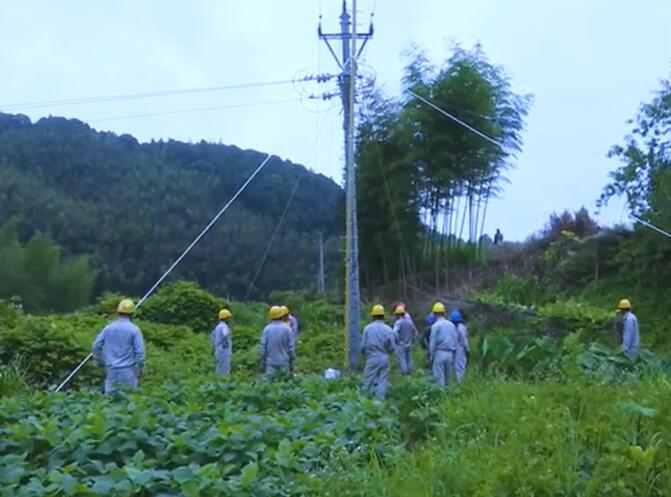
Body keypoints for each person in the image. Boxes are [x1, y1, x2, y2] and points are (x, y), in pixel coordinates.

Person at [92, 299, 145, 395]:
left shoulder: (108, 328)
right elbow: (140, 353)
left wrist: (101, 361)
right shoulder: (134, 330)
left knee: (110, 400)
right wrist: (140, 369)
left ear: (118, 312)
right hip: (128, 370)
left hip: (111, 369)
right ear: (132, 314)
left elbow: (96, 346)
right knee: (128, 398)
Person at [361, 304, 396, 399]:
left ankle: (364, 400)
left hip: (372, 357)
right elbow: (392, 347)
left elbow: (363, 346)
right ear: (383, 315)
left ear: (373, 316)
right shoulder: (388, 329)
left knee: (368, 380)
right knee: (382, 380)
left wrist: (365, 354)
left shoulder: (368, 329)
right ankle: (380, 402)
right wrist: (388, 353)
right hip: (384, 357)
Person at [260, 305, 296, 376]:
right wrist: (292, 363)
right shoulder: (287, 329)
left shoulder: (266, 329)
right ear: (281, 316)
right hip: (284, 363)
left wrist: (262, 364)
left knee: (270, 386)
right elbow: (291, 348)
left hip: (270, 364)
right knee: (284, 384)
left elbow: (263, 349)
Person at [429, 302, 458, 387]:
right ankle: (449, 397)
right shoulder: (451, 325)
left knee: (439, 378)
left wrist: (431, 355)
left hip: (439, 353)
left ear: (434, 314)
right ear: (444, 313)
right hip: (450, 353)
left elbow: (432, 342)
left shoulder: (435, 326)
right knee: (448, 379)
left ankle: (441, 397)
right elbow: (455, 339)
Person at [393, 305, 415, 375]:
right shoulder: (410, 322)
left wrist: (397, 341)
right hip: (409, 343)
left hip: (401, 344)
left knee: (402, 360)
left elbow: (394, 333)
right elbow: (414, 331)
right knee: (409, 358)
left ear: (397, 314)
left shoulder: (398, 322)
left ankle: (404, 373)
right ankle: (410, 372)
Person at [211, 309, 233, 376]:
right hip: (224, 351)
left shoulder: (218, 326)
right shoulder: (224, 326)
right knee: (225, 371)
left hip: (218, 350)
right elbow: (225, 335)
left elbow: (212, 336)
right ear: (226, 318)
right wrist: (226, 345)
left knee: (219, 369)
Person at [450, 310, 470, 382]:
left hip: (460, 349)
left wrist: (467, 349)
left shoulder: (461, 328)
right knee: (455, 367)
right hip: (456, 349)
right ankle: (457, 382)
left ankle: (459, 382)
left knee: (459, 367)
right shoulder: (455, 327)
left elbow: (464, 341)